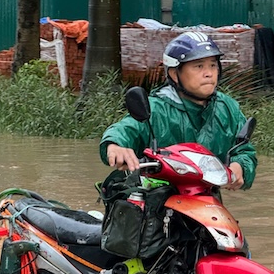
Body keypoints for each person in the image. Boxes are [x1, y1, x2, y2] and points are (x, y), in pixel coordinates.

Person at [100, 31, 257, 190]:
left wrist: (240, 167)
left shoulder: (228, 108)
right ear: (175, 74)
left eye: (213, 65)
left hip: (205, 198)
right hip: (155, 198)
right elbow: (124, 130)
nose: (209, 73)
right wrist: (114, 146)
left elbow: (244, 152)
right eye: (199, 66)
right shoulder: (156, 109)